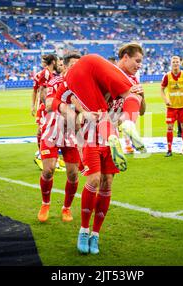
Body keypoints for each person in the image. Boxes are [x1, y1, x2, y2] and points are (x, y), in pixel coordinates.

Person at [54, 54, 136, 255]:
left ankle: (96, 234)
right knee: (94, 180)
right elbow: (56, 103)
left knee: (108, 182)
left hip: (112, 138)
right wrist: (78, 120)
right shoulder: (74, 85)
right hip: (90, 137)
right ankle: (83, 230)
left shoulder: (125, 85)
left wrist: (137, 99)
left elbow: (139, 108)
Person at [37, 53, 82, 223]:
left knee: (73, 174)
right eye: (73, 65)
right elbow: (48, 105)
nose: (77, 69)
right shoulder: (55, 82)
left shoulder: (82, 86)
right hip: (51, 130)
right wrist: (66, 110)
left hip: (70, 134)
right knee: (48, 170)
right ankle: (45, 204)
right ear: (64, 65)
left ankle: (66, 208)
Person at [160, 55, 183, 156]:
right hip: (171, 107)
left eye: (177, 62)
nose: (175, 64)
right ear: (171, 64)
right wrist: (166, 99)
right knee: (170, 127)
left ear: (180, 63)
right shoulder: (167, 76)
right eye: (173, 62)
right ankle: (169, 150)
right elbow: (161, 89)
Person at [115, 43, 146, 154]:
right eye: (137, 61)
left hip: (114, 127)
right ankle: (127, 124)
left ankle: (128, 124)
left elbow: (142, 112)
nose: (139, 66)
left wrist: (142, 95)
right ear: (126, 57)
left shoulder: (133, 80)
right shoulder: (109, 73)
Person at [32, 54, 58, 170]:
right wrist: (47, 106)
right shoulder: (46, 73)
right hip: (45, 107)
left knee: (46, 131)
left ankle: (48, 156)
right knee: (44, 131)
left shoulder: (51, 74)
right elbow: (42, 91)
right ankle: (41, 155)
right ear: (53, 62)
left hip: (47, 106)